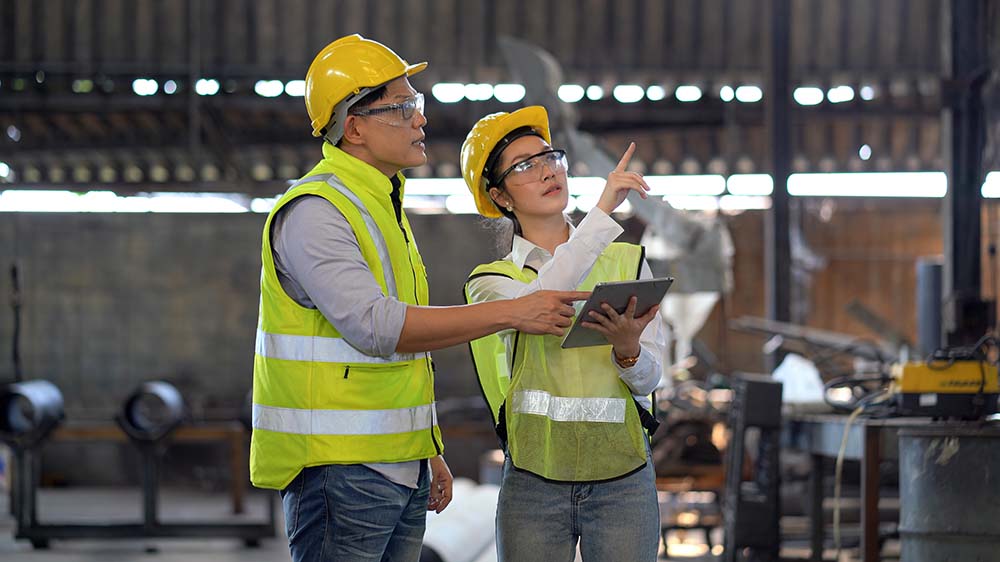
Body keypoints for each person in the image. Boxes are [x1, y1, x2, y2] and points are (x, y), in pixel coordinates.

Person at [250, 36, 589, 562]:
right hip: (341, 471)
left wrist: (425, 451)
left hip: (394, 466)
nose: (420, 120)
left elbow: (407, 359)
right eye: (403, 107)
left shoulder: (381, 204)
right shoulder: (318, 211)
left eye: (418, 105)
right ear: (355, 126)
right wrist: (515, 311)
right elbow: (377, 327)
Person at [461, 106, 666, 562]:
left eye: (550, 157)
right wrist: (601, 215)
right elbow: (540, 302)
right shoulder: (493, 282)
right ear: (501, 196)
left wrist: (629, 353)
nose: (547, 171)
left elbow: (652, 382)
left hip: (624, 479)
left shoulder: (627, 263)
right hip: (533, 482)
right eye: (525, 166)